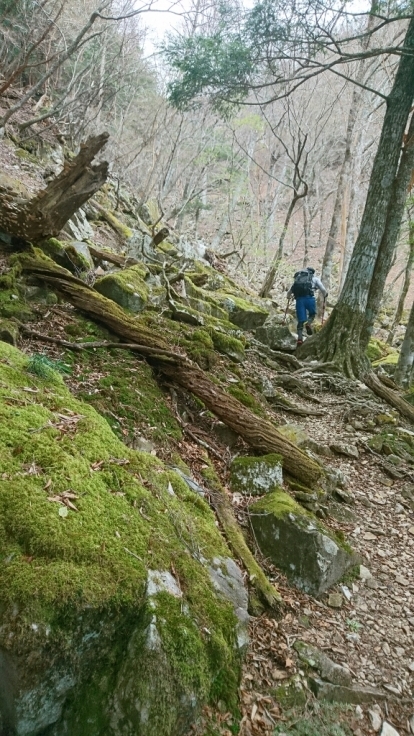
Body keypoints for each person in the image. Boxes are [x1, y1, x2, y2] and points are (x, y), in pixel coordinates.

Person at [287, 267, 328, 346]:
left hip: (299, 300)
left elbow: (289, 292)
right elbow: (323, 289)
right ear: (313, 273)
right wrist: (325, 294)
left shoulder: (298, 279)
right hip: (310, 299)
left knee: (300, 320)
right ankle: (308, 323)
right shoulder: (315, 279)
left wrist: (288, 297)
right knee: (312, 314)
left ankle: (299, 339)